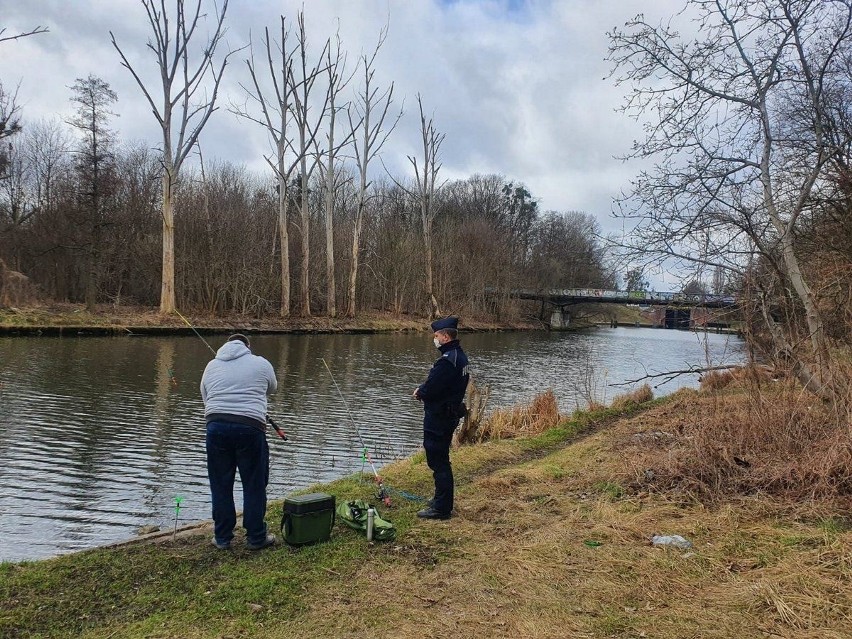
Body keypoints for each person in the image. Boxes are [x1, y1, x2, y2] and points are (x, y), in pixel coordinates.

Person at [201, 333, 278, 550]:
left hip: (215, 427)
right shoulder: (261, 363)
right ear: (248, 346)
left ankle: (223, 537)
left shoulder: (211, 365)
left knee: (220, 484)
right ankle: (256, 537)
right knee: (254, 483)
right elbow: (272, 388)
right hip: (250, 428)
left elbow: (205, 397)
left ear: (226, 345)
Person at [412, 316, 470, 520]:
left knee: (438, 461)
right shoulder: (459, 356)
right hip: (449, 414)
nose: (434, 339)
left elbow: (433, 387)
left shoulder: (447, 361)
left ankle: (442, 508)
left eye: (436, 336)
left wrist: (420, 392)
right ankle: (440, 498)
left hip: (439, 417)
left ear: (445, 336)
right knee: (441, 459)